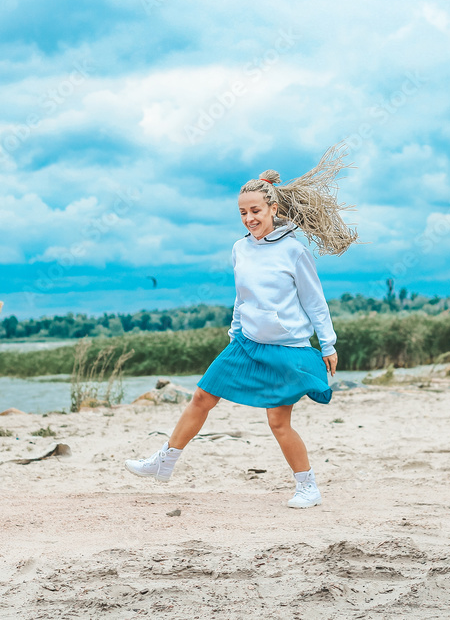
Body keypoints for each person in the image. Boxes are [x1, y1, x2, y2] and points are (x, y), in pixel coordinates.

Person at [124, 144, 358, 508]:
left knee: (278, 422)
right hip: (246, 344)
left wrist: (327, 344)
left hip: (287, 349)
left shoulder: (294, 251)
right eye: (243, 212)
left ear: (273, 209)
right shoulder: (239, 249)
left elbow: (314, 301)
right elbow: (242, 297)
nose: (249, 218)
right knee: (202, 396)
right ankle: (164, 462)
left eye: (255, 211)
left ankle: (307, 486)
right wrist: (235, 331)